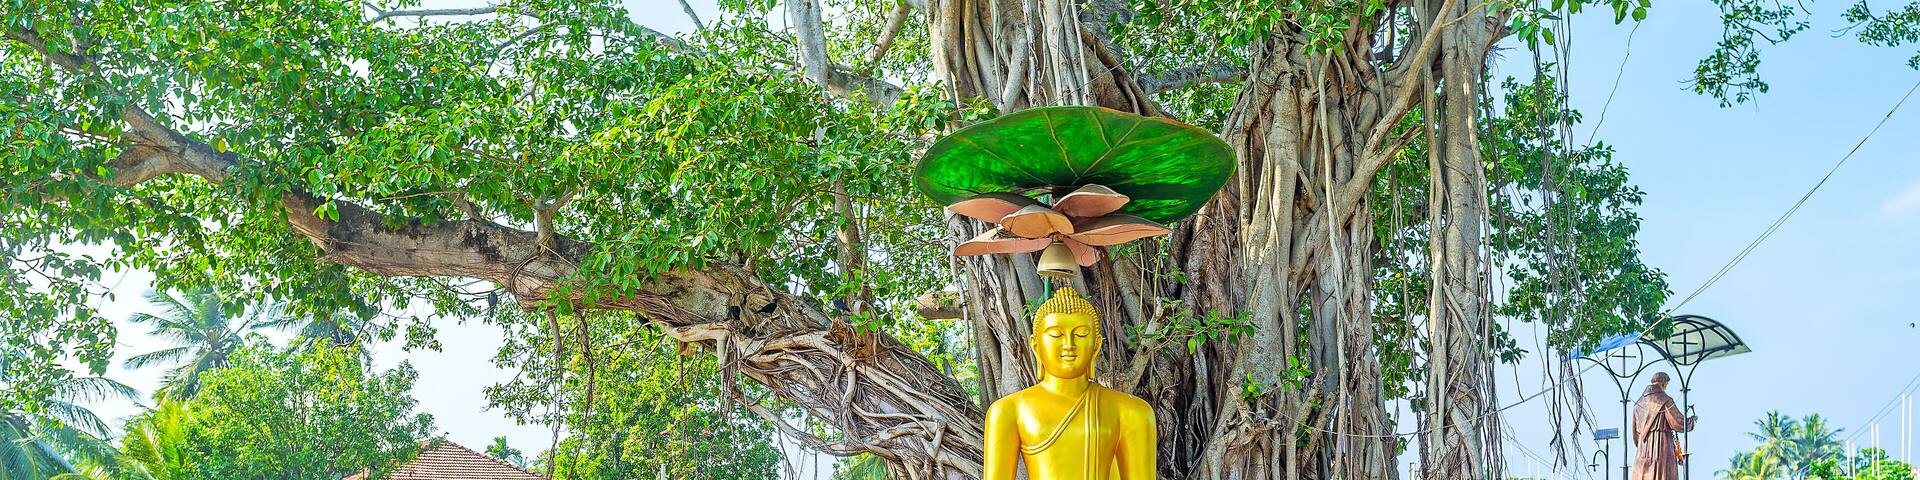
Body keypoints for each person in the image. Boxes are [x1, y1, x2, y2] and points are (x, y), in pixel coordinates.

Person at [982, 287, 1156, 480]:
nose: (1069, 345)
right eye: (1056, 334)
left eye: (1081, 334)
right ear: (1035, 346)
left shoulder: (1132, 411)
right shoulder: (1008, 411)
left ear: (1096, 345)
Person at [1632, 372, 1696, 480]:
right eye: (1666, 384)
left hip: (1642, 449)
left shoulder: (1638, 403)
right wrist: (1691, 421)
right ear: (1663, 383)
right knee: (1663, 474)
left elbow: (1635, 435)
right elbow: (1679, 423)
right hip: (1661, 446)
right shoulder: (1665, 400)